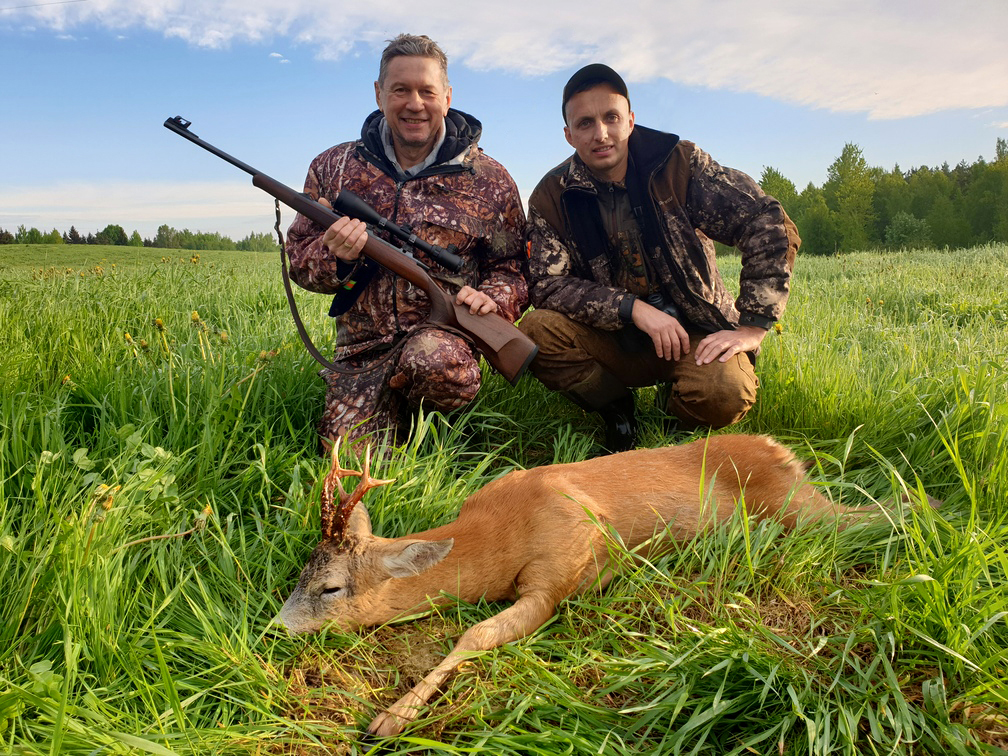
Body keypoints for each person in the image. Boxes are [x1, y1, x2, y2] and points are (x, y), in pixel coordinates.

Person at [520, 64, 799, 452]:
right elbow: (547, 285)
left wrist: (753, 325)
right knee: (535, 331)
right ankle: (616, 408)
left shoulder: (678, 165)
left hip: (696, 335)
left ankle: (673, 414)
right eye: (585, 123)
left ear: (630, 121)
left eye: (611, 118)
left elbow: (766, 221)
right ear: (569, 135)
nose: (600, 134)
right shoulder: (552, 195)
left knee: (726, 394)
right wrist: (629, 308)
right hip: (615, 337)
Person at [285, 34, 528, 446]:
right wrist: (337, 258)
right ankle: (386, 416)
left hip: (445, 338)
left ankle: (440, 432)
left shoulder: (490, 179)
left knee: (438, 364)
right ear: (379, 94)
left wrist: (494, 300)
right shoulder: (334, 167)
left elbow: (513, 268)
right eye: (400, 90)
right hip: (363, 350)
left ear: (446, 98)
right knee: (343, 455)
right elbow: (299, 259)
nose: (414, 103)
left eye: (426, 91)